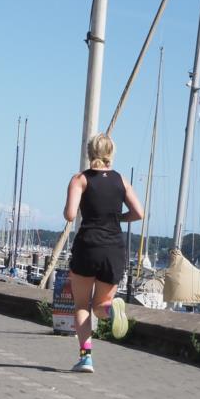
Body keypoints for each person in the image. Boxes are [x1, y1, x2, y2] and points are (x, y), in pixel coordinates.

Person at [64, 134, 144, 373]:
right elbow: (139, 213)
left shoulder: (80, 179)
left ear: (89, 153)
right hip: (114, 247)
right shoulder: (122, 180)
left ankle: (86, 358)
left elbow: (69, 215)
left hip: (88, 245)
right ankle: (111, 309)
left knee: (81, 305)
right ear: (111, 154)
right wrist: (118, 217)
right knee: (100, 306)